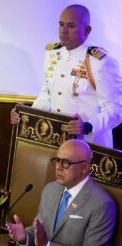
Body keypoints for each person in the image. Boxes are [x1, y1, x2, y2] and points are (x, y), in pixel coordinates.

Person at [11, 4, 122, 148]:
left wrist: (88, 127)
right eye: (61, 24)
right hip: (57, 142)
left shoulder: (100, 62)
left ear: (86, 30)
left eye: (71, 26)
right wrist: (27, 114)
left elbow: (116, 109)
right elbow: (47, 95)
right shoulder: (53, 54)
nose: (63, 31)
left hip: (89, 146)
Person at [6, 139, 116, 246]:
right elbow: (38, 235)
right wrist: (25, 238)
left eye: (66, 163)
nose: (58, 167)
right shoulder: (50, 189)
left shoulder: (102, 204)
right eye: (57, 160)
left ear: (85, 167)